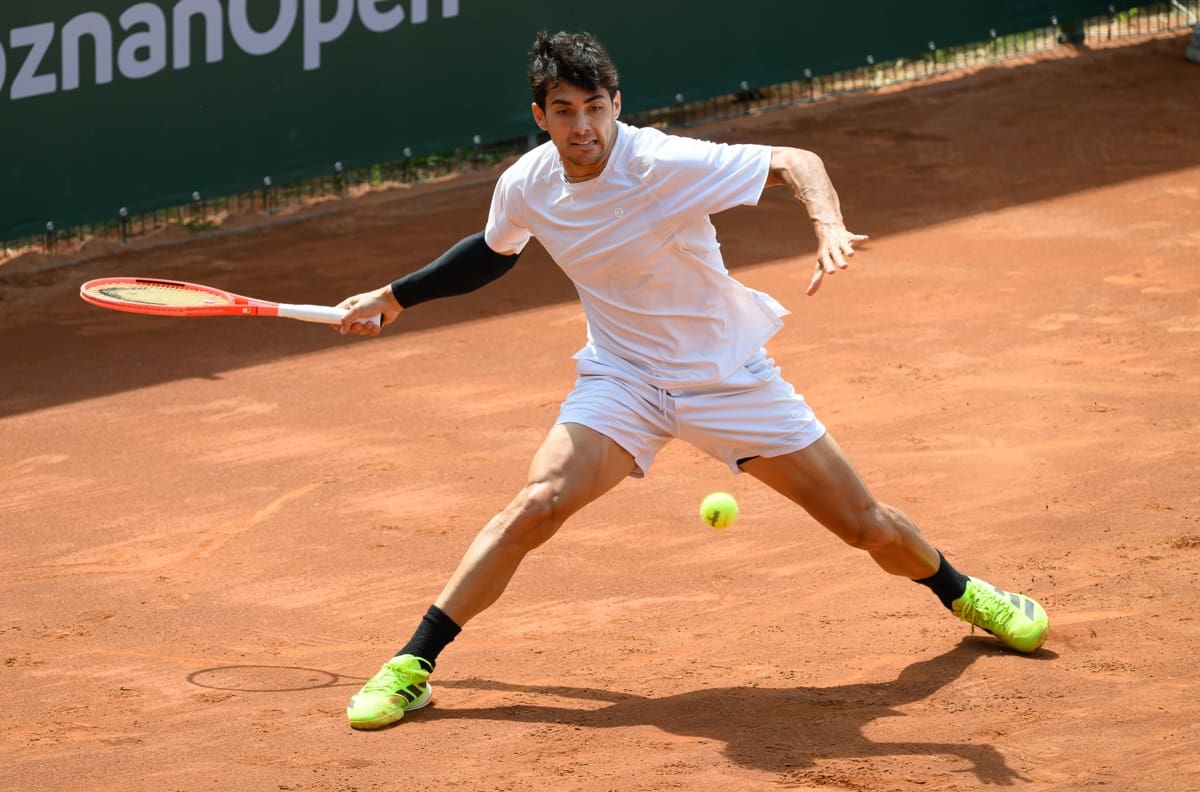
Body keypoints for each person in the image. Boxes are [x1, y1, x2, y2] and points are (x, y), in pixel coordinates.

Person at [334, 30, 1050, 731]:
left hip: (727, 379)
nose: (582, 126)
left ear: (616, 103)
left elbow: (794, 159)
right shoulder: (528, 182)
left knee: (864, 526)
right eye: (564, 111)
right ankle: (412, 665)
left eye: (594, 107)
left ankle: (966, 594)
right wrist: (395, 296)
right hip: (624, 379)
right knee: (536, 504)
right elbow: (492, 254)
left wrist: (828, 225)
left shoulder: (663, 161)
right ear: (539, 116)